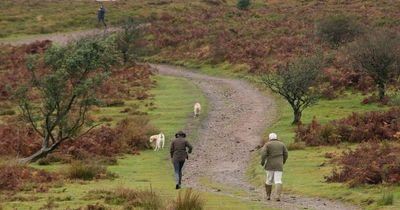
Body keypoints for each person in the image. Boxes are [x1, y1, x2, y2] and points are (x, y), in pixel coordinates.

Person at [260, 133, 288, 201]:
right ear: (276, 137)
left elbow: (263, 154)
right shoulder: (282, 144)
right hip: (279, 165)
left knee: (269, 180)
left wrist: (263, 162)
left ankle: (268, 196)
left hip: (269, 165)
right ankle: (277, 196)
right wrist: (283, 161)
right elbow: (286, 154)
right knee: (278, 180)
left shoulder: (267, 144)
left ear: (270, 138)